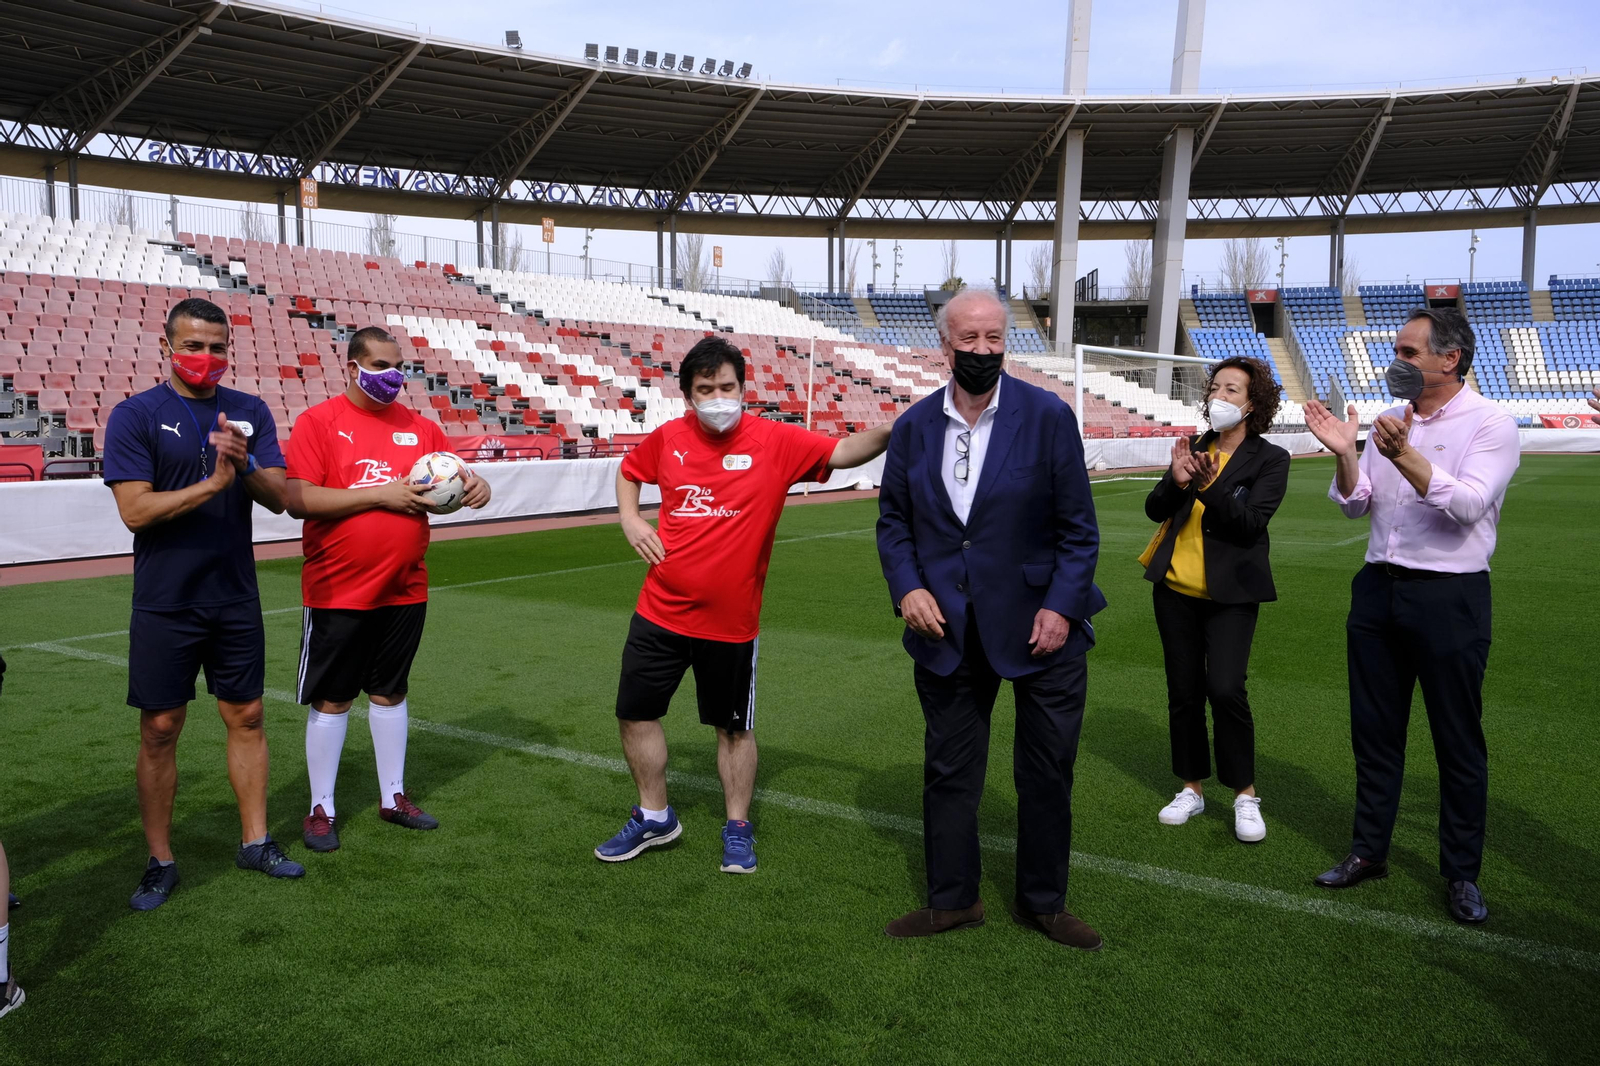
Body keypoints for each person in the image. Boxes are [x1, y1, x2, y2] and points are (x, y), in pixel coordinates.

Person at [597, 335, 892, 874]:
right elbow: (628, 470)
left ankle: (737, 825)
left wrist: (896, 429)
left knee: (733, 729)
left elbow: (843, 452)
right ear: (687, 395)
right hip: (658, 613)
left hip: (730, 625)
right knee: (635, 714)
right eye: (705, 389)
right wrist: (631, 518)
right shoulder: (667, 439)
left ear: (743, 388)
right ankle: (655, 815)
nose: (717, 397)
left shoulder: (774, 441)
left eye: (726, 387)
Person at [876, 288, 1106, 950]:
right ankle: (952, 900)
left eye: (994, 339)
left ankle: (1044, 903)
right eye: (969, 340)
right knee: (949, 771)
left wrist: (1062, 606)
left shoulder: (1048, 416)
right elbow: (894, 522)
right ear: (944, 346)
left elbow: (1078, 529)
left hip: (1043, 630)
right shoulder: (915, 426)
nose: (982, 351)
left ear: (1008, 342)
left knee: (1046, 771)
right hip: (946, 630)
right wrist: (907, 588)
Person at [1303, 307, 1519, 925]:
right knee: (1374, 733)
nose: (1396, 361)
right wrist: (1348, 453)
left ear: (1449, 360)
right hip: (1377, 590)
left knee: (1457, 742)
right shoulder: (1389, 422)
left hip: (1450, 598)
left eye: (1408, 351)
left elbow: (1471, 506)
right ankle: (1368, 851)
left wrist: (1406, 458)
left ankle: (1461, 874)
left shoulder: (1491, 424)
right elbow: (1356, 504)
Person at [102, 297, 303, 911]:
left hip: (235, 596)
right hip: (166, 601)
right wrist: (212, 483)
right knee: (161, 727)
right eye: (193, 346)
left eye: (217, 347)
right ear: (167, 348)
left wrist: (243, 469)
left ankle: (255, 840)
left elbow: (280, 498)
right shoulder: (136, 415)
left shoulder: (248, 410)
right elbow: (135, 512)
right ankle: (160, 859)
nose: (205, 357)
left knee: (246, 717)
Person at [285, 327, 491, 853]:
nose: (393, 376)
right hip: (337, 589)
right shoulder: (319, 422)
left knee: (390, 692)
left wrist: (476, 488)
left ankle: (393, 796)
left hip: (405, 587)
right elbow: (299, 499)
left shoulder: (421, 427)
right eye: (380, 365)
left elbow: (456, 480)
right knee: (333, 699)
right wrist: (383, 495)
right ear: (351, 367)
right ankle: (321, 807)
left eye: (398, 366)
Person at [1139, 356, 1290, 843]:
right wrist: (1176, 480)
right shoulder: (1194, 446)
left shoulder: (1270, 459)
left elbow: (1249, 525)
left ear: (1252, 405)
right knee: (1183, 692)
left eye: (1232, 391)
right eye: (1216, 388)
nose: (1219, 398)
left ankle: (1245, 794)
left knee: (1225, 688)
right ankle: (1192, 788)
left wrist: (1209, 486)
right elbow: (1154, 510)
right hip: (1175, 591)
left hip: (1232, 596)